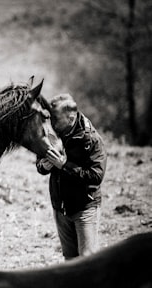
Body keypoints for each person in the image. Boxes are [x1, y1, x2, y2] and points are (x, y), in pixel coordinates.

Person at [36, 93, 107, 260]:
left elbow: (96, 176)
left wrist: (64, 166)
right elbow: (39, 164)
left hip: (85, 208)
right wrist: (44, 166)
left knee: (87, 261)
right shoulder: (51, 135)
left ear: (71, 117)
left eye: (56, 120)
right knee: (70, 261)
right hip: (60, 208)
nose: (52, 124)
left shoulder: (92, 139)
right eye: (51, 119)